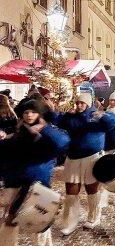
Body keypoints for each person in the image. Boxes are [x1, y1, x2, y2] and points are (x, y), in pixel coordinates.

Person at [0, 99, 70, 246]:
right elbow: (8, 155)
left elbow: (62, 142)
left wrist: (43, 129)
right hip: (15, 181)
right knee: (10, 219)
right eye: (26, 112)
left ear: (39, 114)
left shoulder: (47, 132)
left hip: (38, 183)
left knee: (40, 221)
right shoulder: (17, 131)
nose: (29, 115)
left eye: (33, 112)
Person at [55, 93, 115, 235]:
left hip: (92, 158)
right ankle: (70, 221)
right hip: (73, 158)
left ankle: (94, 217)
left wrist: (103, 115)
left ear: (88, 104)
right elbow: (57, 119)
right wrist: (48, 109)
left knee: (92, 189)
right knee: (71, 191)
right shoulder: (70, 117)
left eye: (82, 103)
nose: (79, 106)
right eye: (77, 103)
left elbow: (113, 121)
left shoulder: (96, 117)